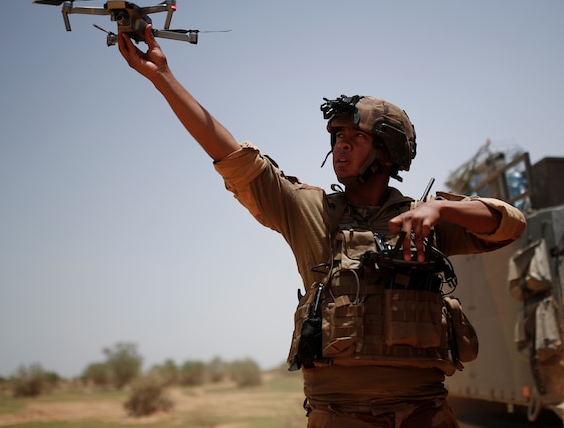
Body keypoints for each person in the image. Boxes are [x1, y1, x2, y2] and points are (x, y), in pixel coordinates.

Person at [117, 24, 527, 428]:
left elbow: (509, 224)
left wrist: (443, 210)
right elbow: (234, 157)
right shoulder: (307, 210)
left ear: (387, 154)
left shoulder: (426, 218)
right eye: (337, 136)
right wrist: (163, 78)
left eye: (357, 137)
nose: (341, 144)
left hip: (424, 411)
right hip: (337, 414)